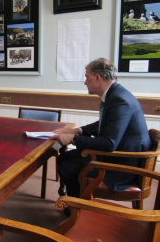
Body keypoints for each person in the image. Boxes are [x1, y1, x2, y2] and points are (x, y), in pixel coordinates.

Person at [50, 58, 151, 198]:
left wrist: (73, 138)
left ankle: (76, 208)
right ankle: (76, 200)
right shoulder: (116, 94)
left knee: (68, 168)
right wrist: (77, 130)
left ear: (97, 78)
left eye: (87, 77)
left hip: (122, 166)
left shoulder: (119, 100)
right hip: (119, 155)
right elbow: (105, 123)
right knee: (64, 158)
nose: (85, 82)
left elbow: (109, 143)